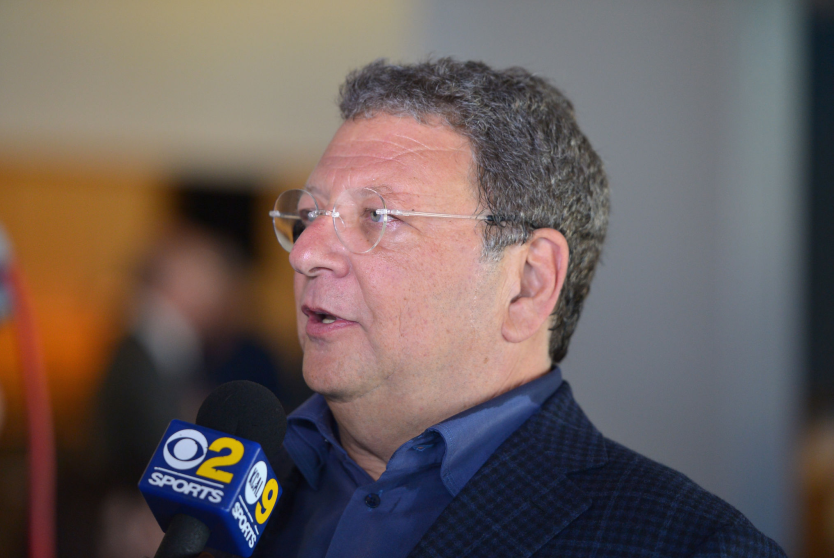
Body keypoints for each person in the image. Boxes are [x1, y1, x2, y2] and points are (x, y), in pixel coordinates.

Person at [253, 58, 786, 557]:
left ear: (529, 283)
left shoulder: (691, 544)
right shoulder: (230, 489)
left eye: (379, 215)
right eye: (310, 214)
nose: (305, 253)